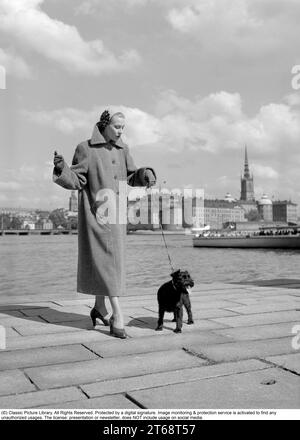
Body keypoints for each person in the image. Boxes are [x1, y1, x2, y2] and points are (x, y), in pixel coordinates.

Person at [53, 110, 156, 338]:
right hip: (96, 215)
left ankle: (100, 308)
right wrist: (62, 170)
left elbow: (130, 176)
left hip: (117, 215)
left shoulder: (123, 149)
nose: (121, 131)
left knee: (110, 263)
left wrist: (145, 174)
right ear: (105, 124)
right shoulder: (85, 148)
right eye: (117, 127)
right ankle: (118, 315)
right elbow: (78, 180)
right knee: (109, 264)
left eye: (123, 128)